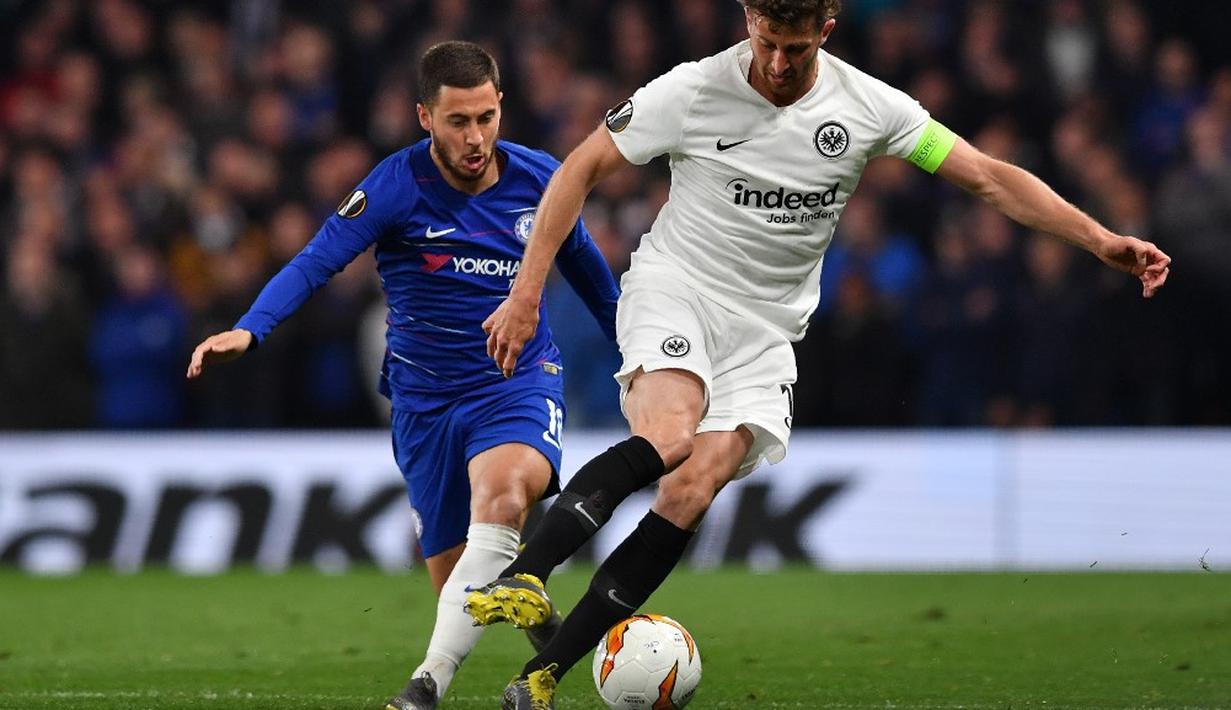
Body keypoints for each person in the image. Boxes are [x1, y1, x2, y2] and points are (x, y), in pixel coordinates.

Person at [465, 1, 1172, 707]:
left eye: (796, 48)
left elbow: (986, 175)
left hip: (766, 332)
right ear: (748, 20)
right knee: (671, 436)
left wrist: (1098, 239)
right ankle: (527, 573)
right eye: (767, 42)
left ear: (824, 32)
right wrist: (527, 292)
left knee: (691, 488)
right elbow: (580, 168)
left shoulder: (870, 107)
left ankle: (541, 675)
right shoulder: (691, 90)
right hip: (676, 290)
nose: (777, 63)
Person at [185, 41, 620, 710]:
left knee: (505, 498)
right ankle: (532, 605)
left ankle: (426, 685)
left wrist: (641, 357)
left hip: (516, 382)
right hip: (423, 404)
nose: (475, 138)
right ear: (424, 117)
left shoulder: (541, 178)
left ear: (501, 107)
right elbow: (316, 261)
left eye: (485, 118)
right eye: (457, 121)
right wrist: (252, 328)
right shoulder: (395, 184)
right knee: (456, 584)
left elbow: (590, 275)